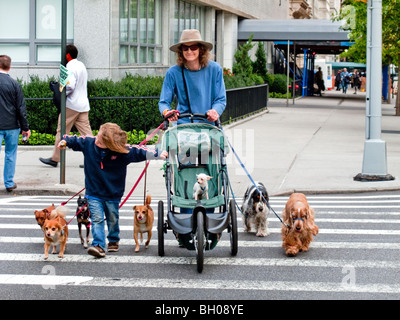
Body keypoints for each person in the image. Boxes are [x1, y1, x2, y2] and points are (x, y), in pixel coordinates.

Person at [58, 122, 167, 257]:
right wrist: (65, 141)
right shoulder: (89, 143)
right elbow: (76, 140)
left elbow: (140, 151)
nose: (96, 140)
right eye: (97, 136)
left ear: (110, 145)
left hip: (112, 193)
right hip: (93, 192)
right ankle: (98, 245)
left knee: (112, 218)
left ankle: (113, 240)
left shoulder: (122, 152)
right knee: (97, 219)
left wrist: (158, 153)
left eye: (101, 141)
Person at [40, 44, 92, 167]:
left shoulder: (69, 66)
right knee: (87, 134)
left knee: (61, 131)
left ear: (67, 55)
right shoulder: (81, 65)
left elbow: (70, 86)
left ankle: (55, 159)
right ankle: (94, 159)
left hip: (71, 105)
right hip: (83, 104)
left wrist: (59, 90)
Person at [159, 29, 226, 125]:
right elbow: (163, 102)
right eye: (185, 48)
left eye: (193, 47)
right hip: (183, 126)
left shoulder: (215, 69)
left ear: (201, 49)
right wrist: (167, 112)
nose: (189, 51)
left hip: (209, 126)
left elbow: (220, 99)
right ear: (181, 51)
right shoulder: (173, 73)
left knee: (223, 140)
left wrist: (215, 111)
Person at [0, 55, 31, 192]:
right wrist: (25, 128)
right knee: (10, 155)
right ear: (9, 67)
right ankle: (9, 183)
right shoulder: (14, 84)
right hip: (12, 126)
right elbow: (20, 108)